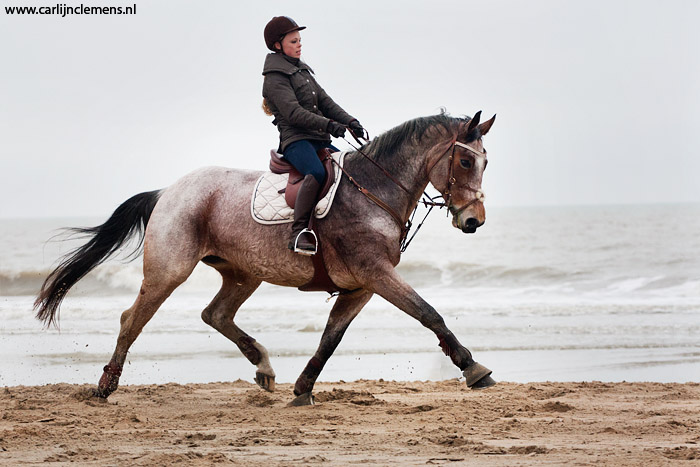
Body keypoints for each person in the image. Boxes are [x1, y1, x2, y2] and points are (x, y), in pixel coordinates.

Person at [262, 16, 364, 255]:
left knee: (352, 169)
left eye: (300, 41)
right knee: (316, 172)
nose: (299, 45)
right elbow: (294, 113)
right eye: (293, 41)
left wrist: (350, 121)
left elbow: (326, 102)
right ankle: (298, 232)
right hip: (296, 141)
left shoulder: (302, 71)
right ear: (278, 45)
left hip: (318, 139)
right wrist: (331, 126)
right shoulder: (275, 78)